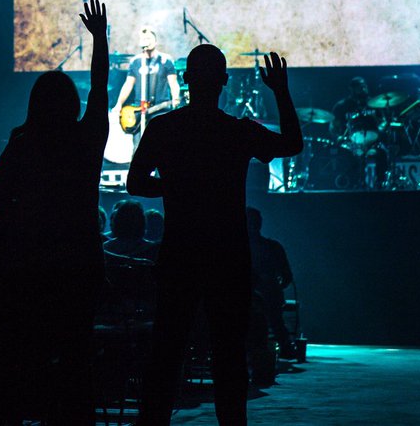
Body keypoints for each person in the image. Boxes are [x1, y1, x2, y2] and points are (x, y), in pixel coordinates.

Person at [126, 45, 302, 426]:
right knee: (229, 356)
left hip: (179, 254)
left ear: (186, 80)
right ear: (224, 82)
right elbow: (292, 144)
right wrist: (281, 92)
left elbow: (135, 182)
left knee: (167, 351)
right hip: (228, 256)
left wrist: (172, 186)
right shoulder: (237, 132)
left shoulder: (163, 129)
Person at [0, 0, 109, 423]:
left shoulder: (21, 144)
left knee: (28, 354)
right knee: (76, 354)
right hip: (79, 262)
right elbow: (99, 90)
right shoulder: (87, 139)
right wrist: (100, 40)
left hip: (31, 264)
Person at [112, 27, 182, 147]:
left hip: (160, 109)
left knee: (161, 144)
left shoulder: (165, 60)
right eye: (144, 39)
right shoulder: (136, 62)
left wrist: (175, 97)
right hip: (140, 110)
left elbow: (173, 82)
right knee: (139, 147)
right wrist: (119, 104)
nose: (146, 41)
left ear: (155, 41)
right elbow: (128, 84)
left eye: (149, 38)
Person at [246, 207, 297, 359]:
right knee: (276, 321)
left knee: (274, 319)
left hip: (262, 295)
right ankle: (284, 346)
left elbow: (286, 276)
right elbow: (287, 276)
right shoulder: (273, 247)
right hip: (269, 294)